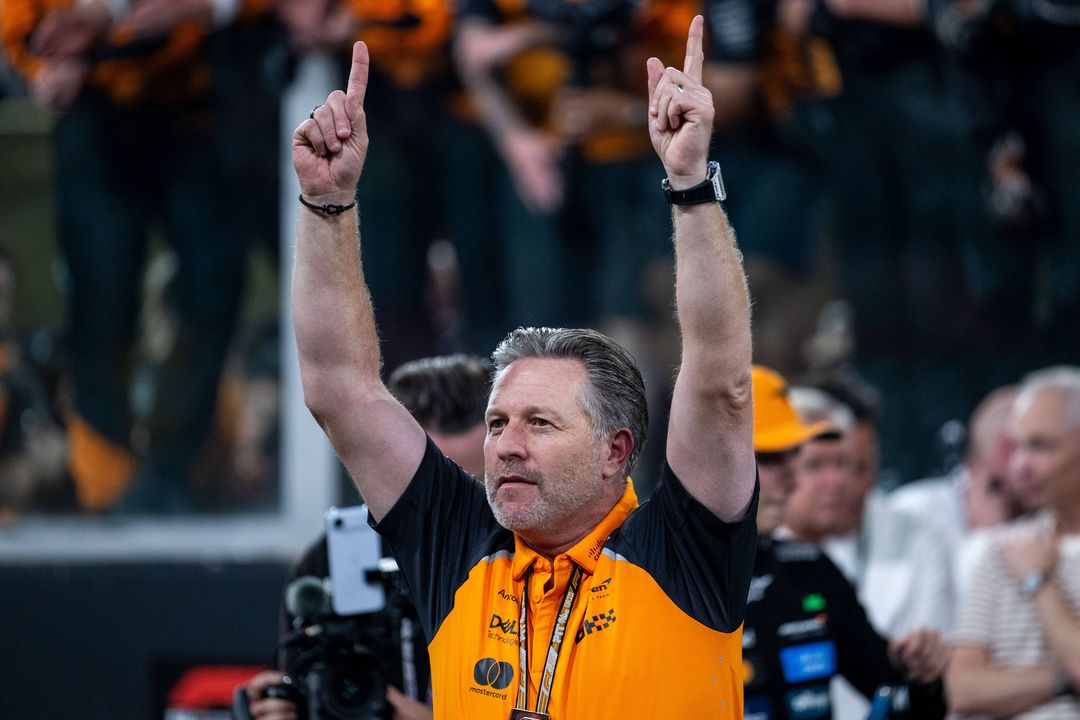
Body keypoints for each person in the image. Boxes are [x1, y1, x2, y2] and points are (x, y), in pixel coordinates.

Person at [291, 15, 758, 718]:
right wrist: (327, 204)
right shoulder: (457, 543)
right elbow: (340, 390)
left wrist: (689, 184)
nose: (505, 445)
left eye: (540, 423)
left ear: (616, 450)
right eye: (497, 423)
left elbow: (721, 384)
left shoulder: (683, 549)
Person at [243, 354, 492, 720]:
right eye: (422, 496)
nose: (441, 525)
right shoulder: (332, 559)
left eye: (466, 495)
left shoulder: (540, 553)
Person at [744, 365, 947, 719]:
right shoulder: (661, 575)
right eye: (772, 457)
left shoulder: (810, 570)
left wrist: (924, 676)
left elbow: (905, 704)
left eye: (794, 457)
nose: (794, 479)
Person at [947, 366, 1080, 718]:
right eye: (1016, 447)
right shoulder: (1002, 548)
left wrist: (1039, 583)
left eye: (1040, 446)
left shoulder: (1021, 558)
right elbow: (960, 689)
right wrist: (1062, 679)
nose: (1021, 465)